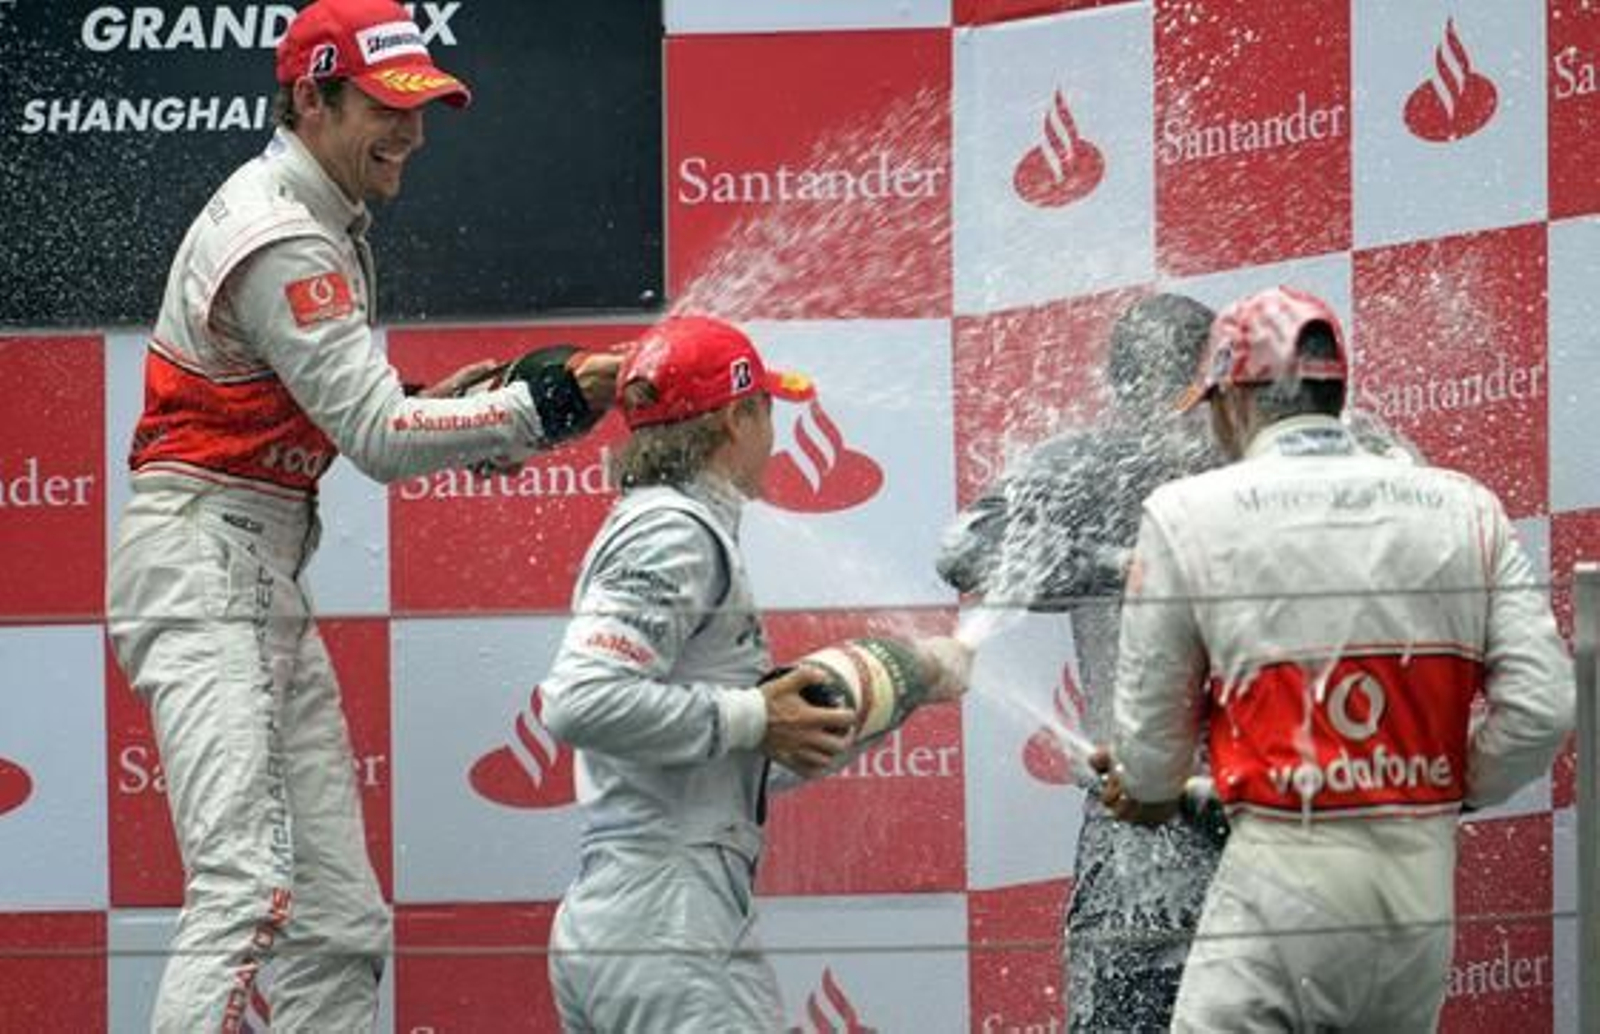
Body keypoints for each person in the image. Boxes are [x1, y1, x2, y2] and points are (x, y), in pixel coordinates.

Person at [104, 2, 622, 1029]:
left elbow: (358, 410)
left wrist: (474, 413)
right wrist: (537, 406)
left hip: (252, 570)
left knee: (336, 920)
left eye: (423, 108)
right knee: (245, 888)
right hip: (205, 565)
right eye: (388, 108)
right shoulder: (284, 234)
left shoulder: (319, 219)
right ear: (313, 97)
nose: (412, 134)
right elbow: (380, 437)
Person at [1101, 285, 1574, 1031]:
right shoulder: (1464, 506)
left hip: (1279, 881)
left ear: (1234, 401)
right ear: (1337, 391)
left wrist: (1153, 789)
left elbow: (1150, 756)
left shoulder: (1187, 513)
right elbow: (1544, 708)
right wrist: (1446, 789)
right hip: (1417, 891)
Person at [542, 315, 969, 1032]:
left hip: (640, 919)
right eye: (768, 413)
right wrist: (759, 715)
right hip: (671, 930)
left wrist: (903, 684)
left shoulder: (660, 521)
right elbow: (580, 702)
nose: (773, 439)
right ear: (739, 418)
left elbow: (737, 757)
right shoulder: (673, 530)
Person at [937, 293, 1228, 1032]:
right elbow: (965, 551)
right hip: (1140, 833)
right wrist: (1122, 566)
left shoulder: (1253, 462)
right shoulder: (1093, 466)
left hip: (1255, 815)